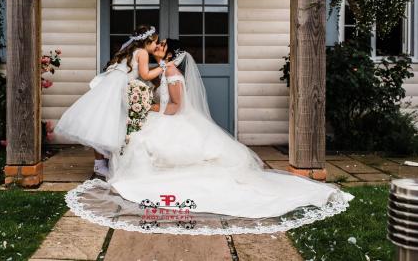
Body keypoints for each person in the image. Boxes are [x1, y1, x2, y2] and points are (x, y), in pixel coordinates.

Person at [65, 38, 355, 235]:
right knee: (137, 137)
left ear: (169, 54)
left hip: (172, 120)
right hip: (164, 117)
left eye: (162, 45)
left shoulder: (174, 74)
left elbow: (176, 107)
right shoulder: (164, 71)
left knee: (142, 141)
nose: (158, 46)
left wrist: (149, 107)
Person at [54, 25, 171, 178]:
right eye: (155, 42)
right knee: (111, 123)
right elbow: (146, 75)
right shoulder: (142, 52)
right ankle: (107, 162)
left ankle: (100, 163)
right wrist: (163, 66)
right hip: (118, 89)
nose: (156, 46)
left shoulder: (128, 51)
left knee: (101, 123)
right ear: (147, 41)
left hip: (108, 85)